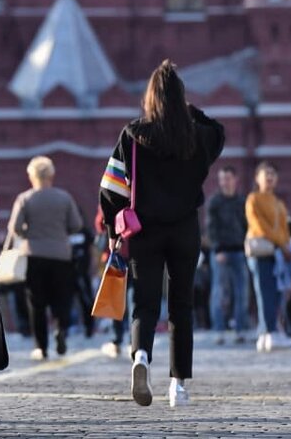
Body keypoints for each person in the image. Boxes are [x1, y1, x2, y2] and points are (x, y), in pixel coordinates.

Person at [99, 60, 224, 409]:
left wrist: (112, 228)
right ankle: (178, 385)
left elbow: (110, 188)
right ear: (181, 98)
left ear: (150, 98)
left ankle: (141, 357)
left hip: (145, 231)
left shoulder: (134, 134)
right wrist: (189, 111)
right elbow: (219, 130)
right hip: (185, 229)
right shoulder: (198, 137)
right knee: (182, 306)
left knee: (145, 303)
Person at [8, 155, 83, 360]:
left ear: (31, 176)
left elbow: (14, 228)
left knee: (37, 302)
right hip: (61, 255)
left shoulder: (25, 198)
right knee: (62, 299)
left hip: (34, 255)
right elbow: (76, 225)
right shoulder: (64, 197)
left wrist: (28, 234)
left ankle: (41, 346)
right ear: (52, 175)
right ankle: (60, 330)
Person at [245, 162, 291, 352]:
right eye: (266, 174)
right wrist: (281, 243)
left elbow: (285, 229)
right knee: (263, 292)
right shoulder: (253, 199)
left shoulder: (278, 202)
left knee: (276, 294)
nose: (270, 177)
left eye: (273, 174)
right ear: (257, 178)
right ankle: (268, 333)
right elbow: (258, 226)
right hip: (261, 251)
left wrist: (286, 245)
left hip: (277, 253)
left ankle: (271, 332)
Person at [204, 165, 249, 345]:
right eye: (222, 179)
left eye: (228, 178)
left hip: (240, 251)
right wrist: (217, 249)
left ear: (235, 180)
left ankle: (240, 330)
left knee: (241, 292)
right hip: (221, 253)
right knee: (219, 293)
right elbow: (211, 228)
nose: (225, 182)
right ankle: (219, 330)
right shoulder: (214, 202)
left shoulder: (242, 201)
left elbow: (248, 227)